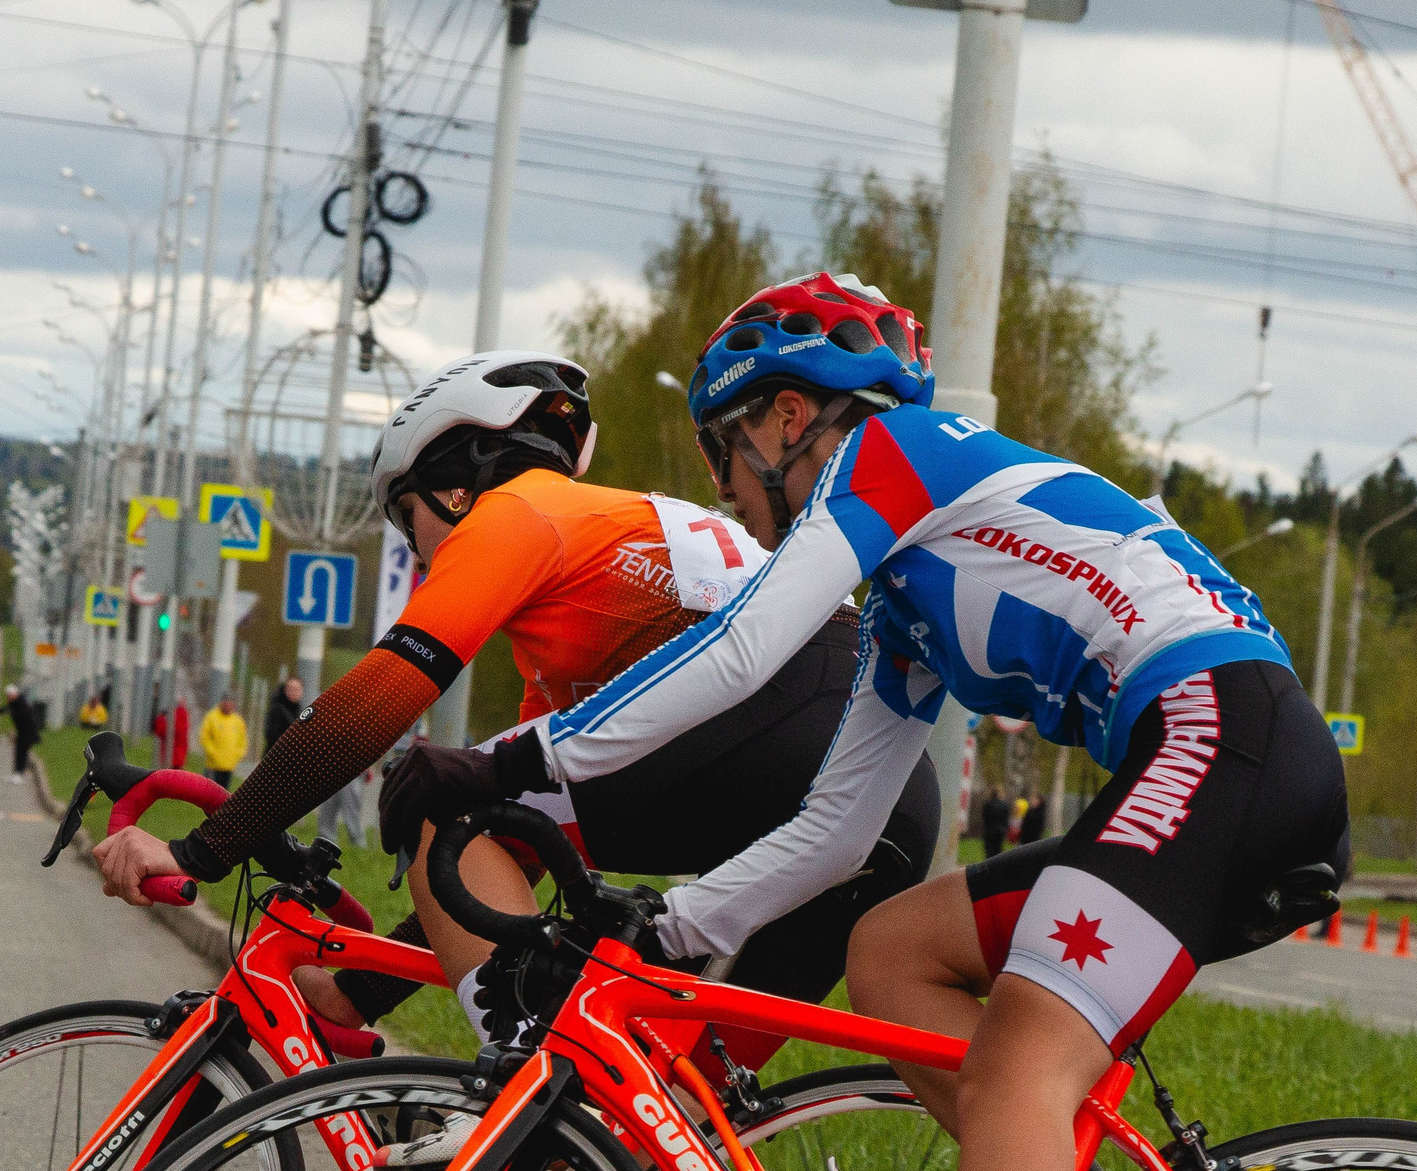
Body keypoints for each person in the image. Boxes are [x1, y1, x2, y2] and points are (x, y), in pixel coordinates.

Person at [348, 275, 1348, 1171]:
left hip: (1225, 741)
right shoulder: (909, 605)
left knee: (1028, 1055)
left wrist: (515, 764)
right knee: (893, 951)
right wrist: (672, 935)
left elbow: (744, 651)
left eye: (729, 450)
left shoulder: (897, 454)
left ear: (785, 417)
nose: (739, 487)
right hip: (1204, 757)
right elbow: (830, 831)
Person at [86, 341, 938, 1118]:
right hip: (890, 792)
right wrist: (355, 991)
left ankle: (522, 1104)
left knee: (439, 804)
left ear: (453, 484)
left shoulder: (518, 511)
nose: (417, 552)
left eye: (405, 518)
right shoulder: (620, 554)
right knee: (668, 1123)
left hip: (786, 738)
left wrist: (204, 849)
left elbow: (377, 700)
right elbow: (507, 854)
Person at [199, 694, 248, 787]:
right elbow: (204, 737)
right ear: (222, 703)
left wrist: (239, 753)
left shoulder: (237, 720)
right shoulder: (212, 717)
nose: (228, 706)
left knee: (224, 792)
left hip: (229, 765)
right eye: (226, 703)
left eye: (230, 703)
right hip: (214, 765)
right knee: (210, 790)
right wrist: (212, 752)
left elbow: (243, 739)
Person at [4, 682, 45, 777]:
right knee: (19, 751)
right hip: (22, 732)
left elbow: (23, 717)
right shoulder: (14, 703)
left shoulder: (21, 703)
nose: (8, 698)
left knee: (22, 752)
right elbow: (5, 710)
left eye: (9, 696)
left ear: (14, 694)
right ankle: (17, 772)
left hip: (27, 732)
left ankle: (19, 772)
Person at [264, 676, 304, 752]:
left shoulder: (302, 712)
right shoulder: (277, 709)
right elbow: (271, 735)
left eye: (297, 689)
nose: (294, 692)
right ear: (285, 690)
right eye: (291, 689)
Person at [979, 787, 1011, 861]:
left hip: (989, 830)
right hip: (1000, 831)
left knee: (989, 851)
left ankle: (988, 866)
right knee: (998, 851)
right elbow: (1006, 819)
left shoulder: (987, 804)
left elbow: (984, 817)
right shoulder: (1004, 805)